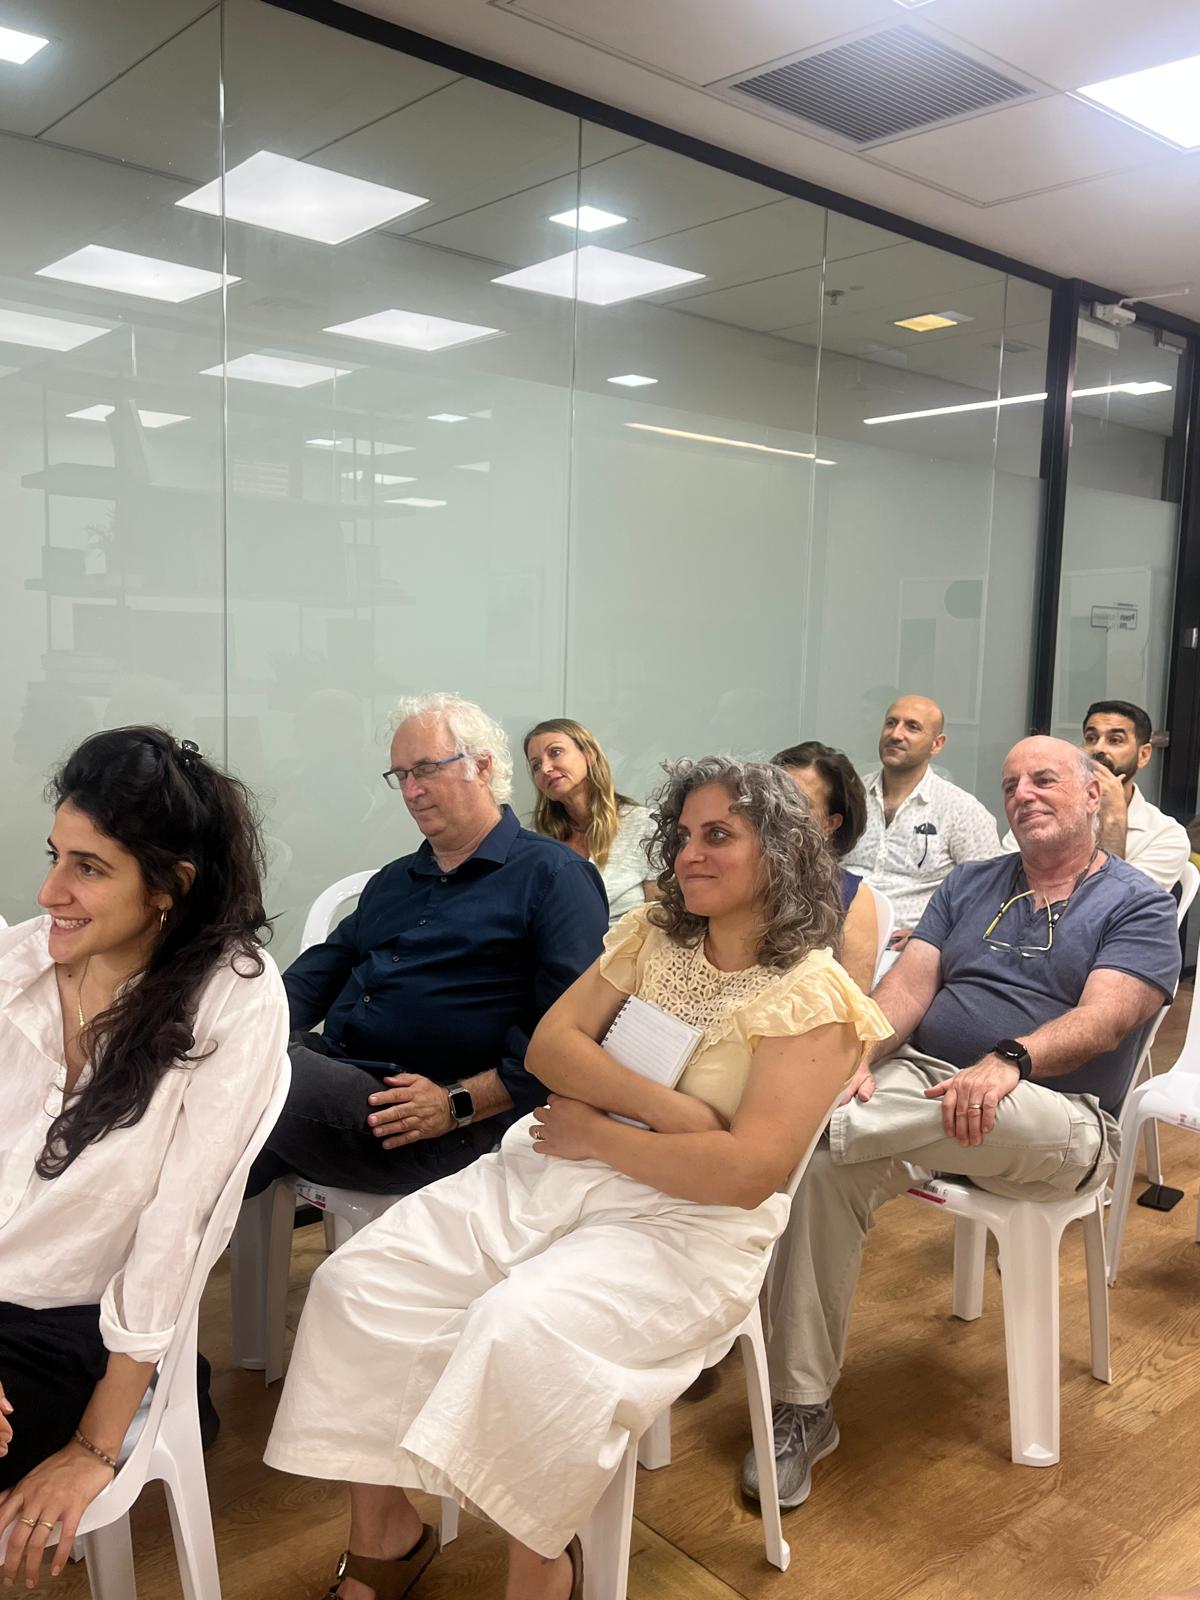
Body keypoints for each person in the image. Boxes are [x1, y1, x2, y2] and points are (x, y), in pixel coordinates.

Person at [264, 758, 891, 1600]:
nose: (689, 855)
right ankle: (387, 1533)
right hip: (559, 1167)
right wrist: (673, 1113)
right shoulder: (655, 936)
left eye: (719, 835)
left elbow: (745, 1174)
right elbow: (552, 1050)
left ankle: (542, 1566)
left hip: (690, 1224)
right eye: (683, 836)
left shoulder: (815, 997)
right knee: (358, 1283)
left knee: (518, 1326)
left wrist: (601, 1127)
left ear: (780, 851)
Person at [751, 736, 1180, 1510]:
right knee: (824, 1160)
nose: (1022, 794)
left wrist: (1011, 1058)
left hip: (1061, 1120)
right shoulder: (971, 884)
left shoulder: (1137, 903)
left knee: (822, 1130)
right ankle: (802, 1407)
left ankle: (777, 1133)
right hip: (928, 1095)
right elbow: (908, 990)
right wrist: (857, 1056)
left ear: (1093, 795)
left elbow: (1107, 1019)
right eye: (1010, 784)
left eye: (1043, 779)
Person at [0, 727, 289, 1589]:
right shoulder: (18, 964)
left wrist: (94, 1447)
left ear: (170, 885)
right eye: (54, 856)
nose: (50, 891)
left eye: (89, 868)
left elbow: (176, 1233)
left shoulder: (230, 998)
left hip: (70, 1329)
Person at [247, 694, 609, 1202]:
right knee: (205, 1107)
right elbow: (314, 978)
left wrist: (457, 1102)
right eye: (400, 775)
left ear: (482, 766)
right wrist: (237, 1021)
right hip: (337, 1079)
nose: (411, 791)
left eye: (425, 770)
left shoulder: (553, 876)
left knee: (246, 1077)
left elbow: (573, 1032)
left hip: (436, 1119)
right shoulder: (394, 880)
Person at [843, 694, 1003, 951]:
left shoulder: (961, 810)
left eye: (912, 727)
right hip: (833, 937)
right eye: (891, 723)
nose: (896, 734)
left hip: (905, 948)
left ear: (937, 744)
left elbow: (989, 895)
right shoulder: (849, 797)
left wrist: (935, 935)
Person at [1000, 700, 1189, 893]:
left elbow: (1118, 902)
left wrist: (1113, 818)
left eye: (1115, 740)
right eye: (1091, 738)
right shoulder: (1047, 810)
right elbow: (1005, 883)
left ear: (1144, 755)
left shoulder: (1166, 835)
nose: (1098, 749)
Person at [524, 717, 657, 926]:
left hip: (631, 946)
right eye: (536, 766)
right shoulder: (532, 841)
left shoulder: (646, 825)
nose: (545, 769)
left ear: (589, 754)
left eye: (555, 752)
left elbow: (661, 922)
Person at [773, 742, 878, 992]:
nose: (778, 810)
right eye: (774, 795)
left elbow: (853, 1005)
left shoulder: (851, 898)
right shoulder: (733, 872)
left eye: (797, 802)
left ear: (829, 824)